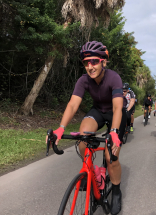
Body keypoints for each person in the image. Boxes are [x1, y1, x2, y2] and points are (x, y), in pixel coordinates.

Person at [49, 41, 126, 214]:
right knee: (82, 138)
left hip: (115, 114)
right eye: (86, 63)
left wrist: (113, 132)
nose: (90, 66)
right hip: (98, 110)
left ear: (103, 62)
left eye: (94, 61)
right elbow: (73, 105)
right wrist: (61, 128)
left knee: (110, 156)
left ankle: (116, 190)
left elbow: (117, 108)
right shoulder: (83, 80)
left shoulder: (114, 78)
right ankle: (94, 172)